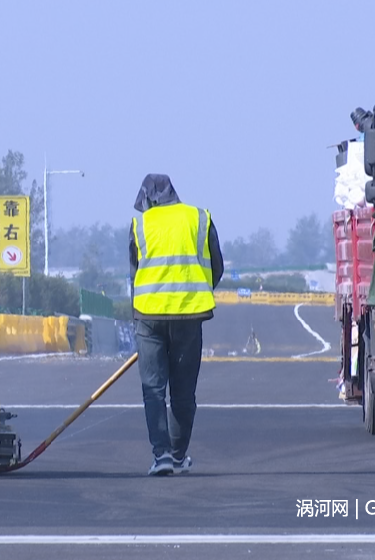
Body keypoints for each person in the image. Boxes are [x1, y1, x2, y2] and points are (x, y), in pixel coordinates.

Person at [128, 173, 223, 476]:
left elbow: (135, 273)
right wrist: (195, 293)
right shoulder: (199, 218)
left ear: (147, 198)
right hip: (189, 317)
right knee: (183, 393)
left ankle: (162, 456)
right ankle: (179, 457)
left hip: (149, 318)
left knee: (153, 390)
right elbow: (217, 266)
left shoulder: (140, 224)